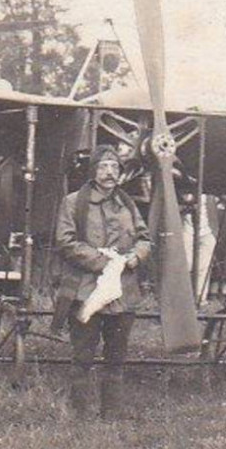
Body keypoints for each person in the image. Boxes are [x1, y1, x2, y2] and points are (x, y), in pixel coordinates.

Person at [54, 144, 151, 418]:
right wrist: (103, 262)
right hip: (86, 291)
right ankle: (81, 416)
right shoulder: (73, 202)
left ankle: (112, 416)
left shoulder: (127, 203)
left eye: (114, 166)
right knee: (83, 356)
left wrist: (134, 257)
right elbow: (65, 241)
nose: (109, 172)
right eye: (103, 166)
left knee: (116, 358)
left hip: (123, 294)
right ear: (93, 171)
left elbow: (144, 238)